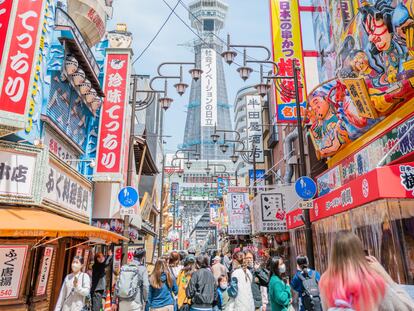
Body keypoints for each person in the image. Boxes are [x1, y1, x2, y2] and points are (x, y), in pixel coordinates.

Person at [319, 231, 414, 311]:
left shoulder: (325, 282)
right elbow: (407, 307)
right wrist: (384, 275)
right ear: (359, 253)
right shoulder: (372, 281)